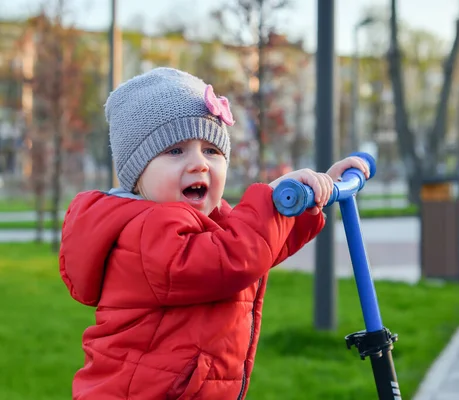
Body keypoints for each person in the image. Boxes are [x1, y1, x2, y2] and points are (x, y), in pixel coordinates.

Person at [58, 67, 369, 400]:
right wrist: (266, 198)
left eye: (212, 151)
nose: (199, 164)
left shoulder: (212, 224)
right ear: (137, 175)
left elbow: (261, 247)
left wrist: (303, 202)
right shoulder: (145, 230)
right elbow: (235, 259)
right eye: (176, 151)